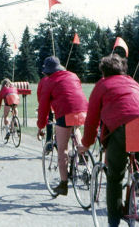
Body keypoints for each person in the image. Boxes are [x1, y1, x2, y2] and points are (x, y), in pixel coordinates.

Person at [78, 54, 139, 227]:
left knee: (115, 177)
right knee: (136, 165)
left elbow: (92, 119)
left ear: (104, 71)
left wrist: (86, 143)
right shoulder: (132, 82)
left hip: (121, 127)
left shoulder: (102, 85)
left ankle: (113, 222)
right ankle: (138, 188)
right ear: (123, 69)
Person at [36, 56, 88, 196]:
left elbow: (43, 108)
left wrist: (41, 126)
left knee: (62, 149)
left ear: (47, 71)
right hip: (83, 110)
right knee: (75, 128)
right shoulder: (73, 75)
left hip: (65, 113)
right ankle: (81, 152)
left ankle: (63, 184)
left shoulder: (48, 82)